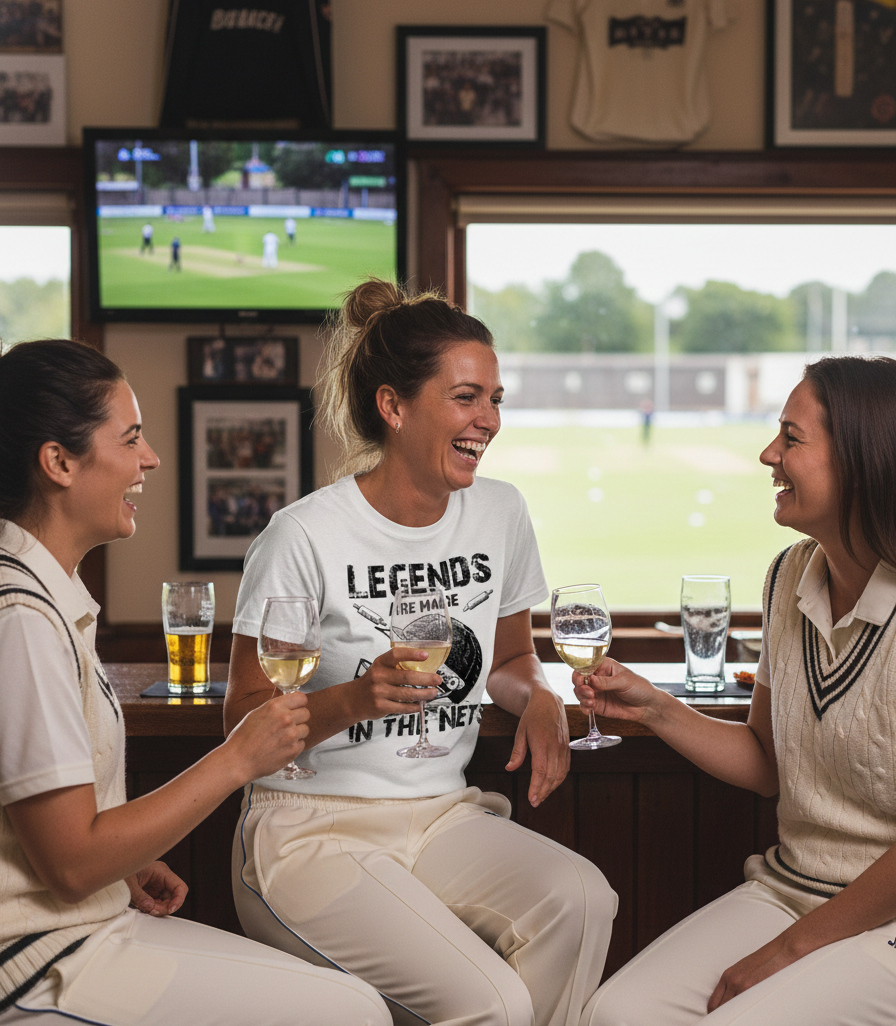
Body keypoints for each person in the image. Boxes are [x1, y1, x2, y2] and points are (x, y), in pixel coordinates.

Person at [225, 278, 617, 1026]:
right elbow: (241, 719)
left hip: (441, 814)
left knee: (583, 900)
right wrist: (355, 697)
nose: (489, 420)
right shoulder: (303, 536)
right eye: (467, 397)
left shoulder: (500, 512)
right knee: (492, 1003)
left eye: (497, 399)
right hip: (310, 827)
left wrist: (535, 693)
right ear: (394, 406)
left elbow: (506, 659)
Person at [0, 339, 391, 1026]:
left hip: (86, 927)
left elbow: (57, 840)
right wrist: (239, 757)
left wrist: (123, 864)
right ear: (59, 462)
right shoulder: (22, 618)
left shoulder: (39, 594)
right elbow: (68, 865)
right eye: (130, 439)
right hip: (40, 962)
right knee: (353, 1014)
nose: (149, 459)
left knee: (357, 1005)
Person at [577, 355, 896, 1026]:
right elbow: (766, 764)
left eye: (791, 437)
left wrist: (788, 952)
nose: (767, 453)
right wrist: (655, 709)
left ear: (864, 461)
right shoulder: (787, 577)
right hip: (790, 889)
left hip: (883, 916)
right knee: (615, 1012)